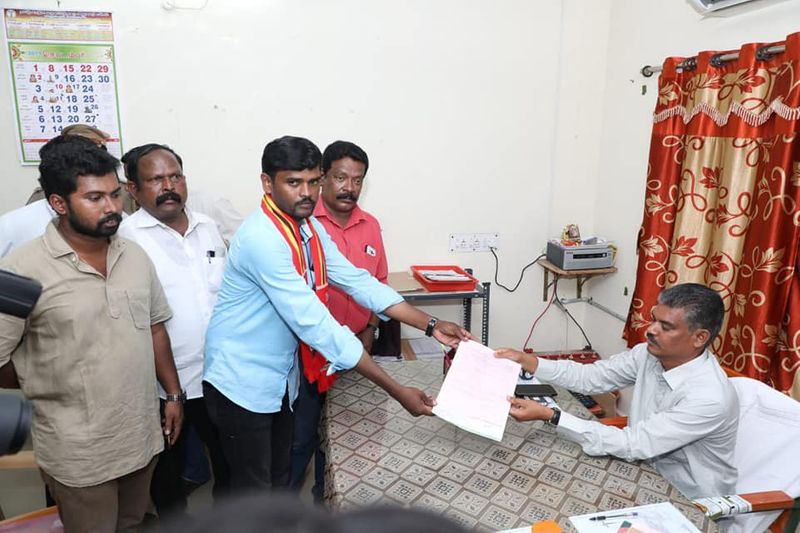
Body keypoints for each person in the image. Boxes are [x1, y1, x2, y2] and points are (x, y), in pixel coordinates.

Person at [203, 135, 469, 492]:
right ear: (267, 183)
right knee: (250, 491)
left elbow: (358, 280)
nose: (307, 193)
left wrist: (431, 325)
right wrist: (396, 390)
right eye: (294, 182)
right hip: (241, 381)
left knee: (279, 477)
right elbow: (317, 325)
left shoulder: (307, 227)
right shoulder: (262, 239)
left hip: (278, 377)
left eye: (313, 182)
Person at [0, 138, 184, 532]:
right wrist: (45, 376)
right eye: (95, 198)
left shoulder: (133, 255)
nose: (112, 207)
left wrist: (172, 393)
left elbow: (155, 327)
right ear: (59, 203)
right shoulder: (21, 271)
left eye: (115, 194)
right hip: (79, 452)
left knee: (132, 523)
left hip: (140, 437)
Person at [496, 283, 738, 499]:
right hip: (639, 468)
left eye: (666, 327)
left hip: (690, 500)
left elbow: (633, 443)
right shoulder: (648, 354)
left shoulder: (709, 398)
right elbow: (590, 377)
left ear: (699, 338)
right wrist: (528, 361)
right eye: (653, 319)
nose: (651, 330)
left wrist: (551, 415)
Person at [118, 143, 230, 519]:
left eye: (175, 176)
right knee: (167, 478)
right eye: (155, 180)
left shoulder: (208, 227)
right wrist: (169, 391)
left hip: (219, 376)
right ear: (133, 189)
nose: (168, 187)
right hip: (162, 385)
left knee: (229, 468)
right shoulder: (125, 239)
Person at [289, 140, 388, 500]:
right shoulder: (304, 224)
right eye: (341, 178)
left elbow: (378, 282)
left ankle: (327, 504)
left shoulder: (370, 225)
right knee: (302, 438)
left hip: (357, 349)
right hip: (312, 352)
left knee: (348, 437)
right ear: (323, 178)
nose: (350, 188)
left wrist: (371, 328)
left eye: (357, 180)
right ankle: (280, 514)